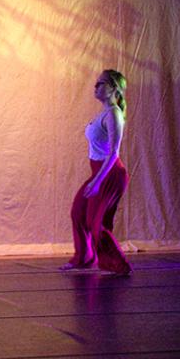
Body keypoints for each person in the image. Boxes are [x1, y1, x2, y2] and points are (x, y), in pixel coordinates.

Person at [60, 69, 132, 275]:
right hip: (98, 171)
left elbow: (114, 152)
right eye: (96, 83)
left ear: (113, 89)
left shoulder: (114, 114)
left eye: (101, 84)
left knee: (95, 221)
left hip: (111, 173)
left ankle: (118, 264)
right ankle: (84, 257)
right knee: (78, 212)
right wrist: (96, 178)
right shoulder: (103, 113)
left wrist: (98, 181)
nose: (96, 87)